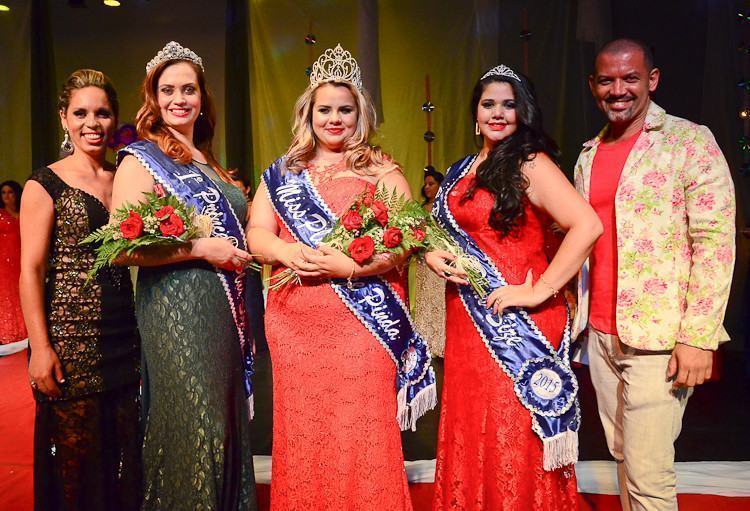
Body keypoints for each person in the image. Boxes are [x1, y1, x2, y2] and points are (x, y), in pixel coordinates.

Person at [247, 44, 435, 510]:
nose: (335, 119)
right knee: (304, 431)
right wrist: (287, 251)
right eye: (325, 109)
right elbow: (256, 234)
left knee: (362, 427)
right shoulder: (283, 172)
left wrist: (350, 266)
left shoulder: (382, 170)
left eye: (345, 110)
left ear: (361, 114)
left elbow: (407, 239)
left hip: (363, 327)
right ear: (307, 114)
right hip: (296, 325)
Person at [426, 64, 603, 510]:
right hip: (469, 321)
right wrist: (431, 254)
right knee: (473, 423)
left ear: (523, 113)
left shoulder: (530, 162)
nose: (498, 113)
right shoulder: (463, 168)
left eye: (509, 104)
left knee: (512, 427)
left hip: (517, 321)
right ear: (476, 113)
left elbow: (586, 225)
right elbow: (435, 230)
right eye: (489, 104)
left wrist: (541, 289)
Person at [573, 38, 735, 511]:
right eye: (607, 80)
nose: (618, 89)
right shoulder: (589, 153)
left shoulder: (689, 141)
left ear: (652, 80)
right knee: (625, 459)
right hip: (600, 334)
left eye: (630, 78)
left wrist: (699, 337)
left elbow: (715, 242)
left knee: (649, 474)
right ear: (593, 85)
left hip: (660, 339)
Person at [111, 41, 256, 510]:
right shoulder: (140, 158)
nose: (179, 99)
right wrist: (198, 248)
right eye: (167, 89)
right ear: (154, 97)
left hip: (221, 310)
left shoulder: (207, 161)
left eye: (188, 89)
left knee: (224, 422)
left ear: (202, 96)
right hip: (176, 309)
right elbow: (120, 248)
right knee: (198, 425)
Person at [19, 69, 141, 510]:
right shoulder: (43, 183)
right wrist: (39, 348)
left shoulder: (125, 177)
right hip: (71, 340)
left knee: (124, 456)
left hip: (124, 335)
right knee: (75, 464)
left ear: (114, 120)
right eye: (82, 113)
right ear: (64, 119)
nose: (93, 122)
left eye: (103, 113)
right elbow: (30, 270)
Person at [413, 168, 447, 357]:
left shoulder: (445, 208)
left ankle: (441, 341)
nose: (427, 187)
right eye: (425, 184)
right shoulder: (419, 209)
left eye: (431, 184)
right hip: (423, 261)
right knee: (425, 299)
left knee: (439, 300)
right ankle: (424, 341)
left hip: (442, 259)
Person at [0, 180, 27, 347]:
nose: (7, 196)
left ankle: (25, 332)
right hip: (4, 261)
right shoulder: (1, 215)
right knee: (7, 294)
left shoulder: (25, 212)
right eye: (3, 192)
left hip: (22, 258)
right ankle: (8, 333)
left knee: (22, 291)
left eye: (10, 192)